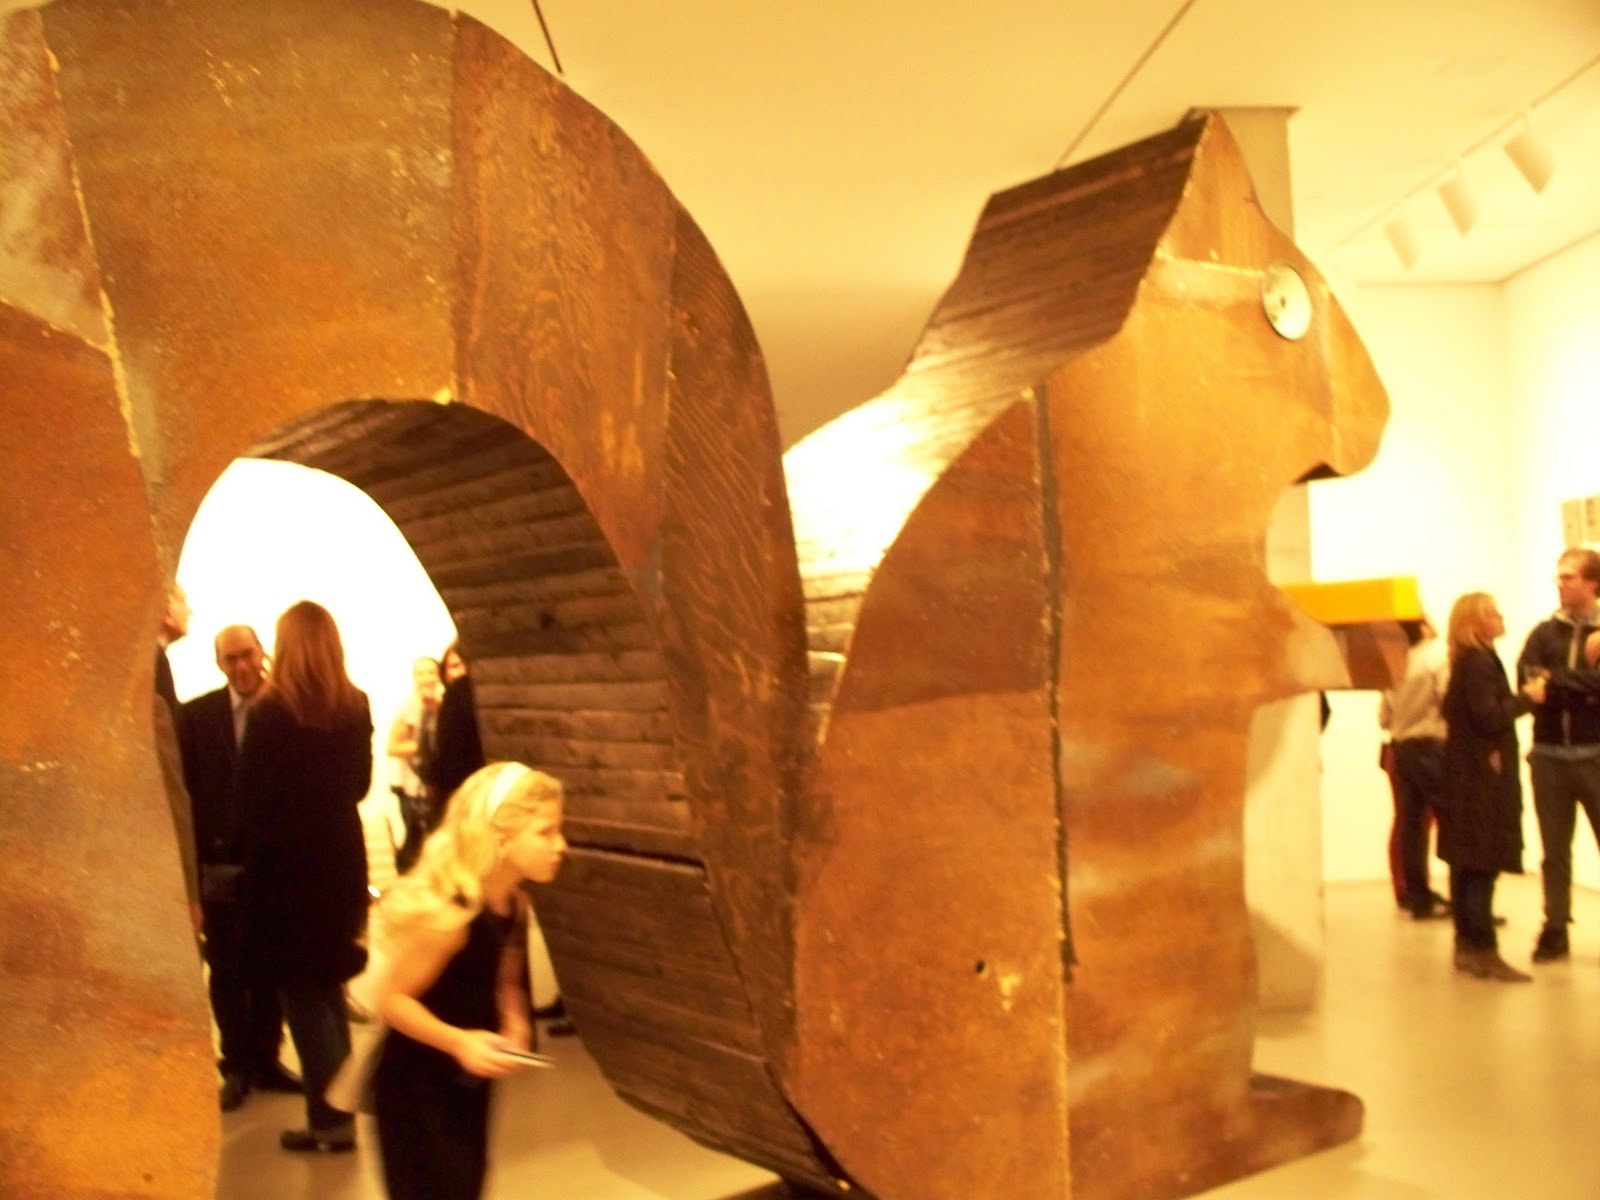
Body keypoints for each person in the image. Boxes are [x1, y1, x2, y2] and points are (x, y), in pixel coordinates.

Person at [370, 762, 567, 1199]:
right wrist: (460, 1041)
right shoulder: (452, 914)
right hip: (417, 1085)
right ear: (502, 837)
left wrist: (514, 1019)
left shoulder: (513, 902)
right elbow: (393, 1001)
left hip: (463, 1079)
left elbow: (506, 978)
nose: (561, 845)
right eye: (546, 832)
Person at [236, 601, 373, 1152]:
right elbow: (360, 785)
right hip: (340, 860)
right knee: (329, 988)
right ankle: (338, 1114)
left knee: (304, 997)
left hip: (287, 869)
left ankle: (332, 1123)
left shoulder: (270, 713)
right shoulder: (355, 705)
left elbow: (250, 800)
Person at [179, 624, 299, 1111]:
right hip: (220, 863)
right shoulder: (197, 717)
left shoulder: (288, 711)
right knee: (226, 968)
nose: (242, 666)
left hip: (274, 863)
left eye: (248, 654)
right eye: (231, 659)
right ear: (219, 664)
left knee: (271, 965)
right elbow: (186, 793)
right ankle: (236, 1065)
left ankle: (266, 1057)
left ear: (263, 652)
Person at [1438, 592, 1538, 982]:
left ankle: (1466, 946)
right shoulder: (1479, 662)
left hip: (1466, 775)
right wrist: (1528, 698)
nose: (1501, 617)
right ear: (1476, 622)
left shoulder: (1466, 660)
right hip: (1481, 780)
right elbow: (1489, 716)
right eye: (1493, 613)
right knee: (1481, 864)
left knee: (1466, 864)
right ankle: (1483, 949)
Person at [1517, 547, 1600, 964]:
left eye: (1569, 577)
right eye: (1559, 576)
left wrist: (1558, 680)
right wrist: (1578, 682)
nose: (1560, 583)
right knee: (1554, 850)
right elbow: (1528, 679)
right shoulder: (1543, 634)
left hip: (1595, 754)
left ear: (1593, 583)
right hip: (1549, 755)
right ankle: (1555, 927)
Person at [1378, 616, 1451, 919]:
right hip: (1432, 746)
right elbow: (1448, 701)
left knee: (1410, 825)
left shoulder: (1396, 664)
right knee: (1452, 821)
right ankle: (1468, 904)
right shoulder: (1438, 657)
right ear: (1423, 627)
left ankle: (1416, 897)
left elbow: (1383, 718)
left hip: (1401, 749)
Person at [388, 655, 443, 873]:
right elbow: (393, 747)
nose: (426, 678)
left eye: (431, 672)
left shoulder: (446, 703)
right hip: (413, 788)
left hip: (436, 785)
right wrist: (425, 745)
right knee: (416, 848)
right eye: (421, 673)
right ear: (414, 677)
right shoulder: (408, 708)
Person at [426, 640, 485, 802]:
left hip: (463, 789)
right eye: (453, 666)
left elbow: (449, 751)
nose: (459, 672)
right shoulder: (442, 700)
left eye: (462, 665)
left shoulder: (457, 694)